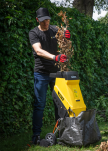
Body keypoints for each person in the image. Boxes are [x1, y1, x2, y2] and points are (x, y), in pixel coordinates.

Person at [29, 7, 71, 144]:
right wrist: (55, 57)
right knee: (39, 104)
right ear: (37, 20)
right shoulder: (34, 33)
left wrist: (67, 36)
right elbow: (38, 51)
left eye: (47, 19)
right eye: (43, 20)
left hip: (56, 73)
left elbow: (64, 40)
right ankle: (36, 135)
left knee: (59, 103)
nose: (46, 22)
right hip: (41, 73)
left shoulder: (55, 30)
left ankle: (60, 133)